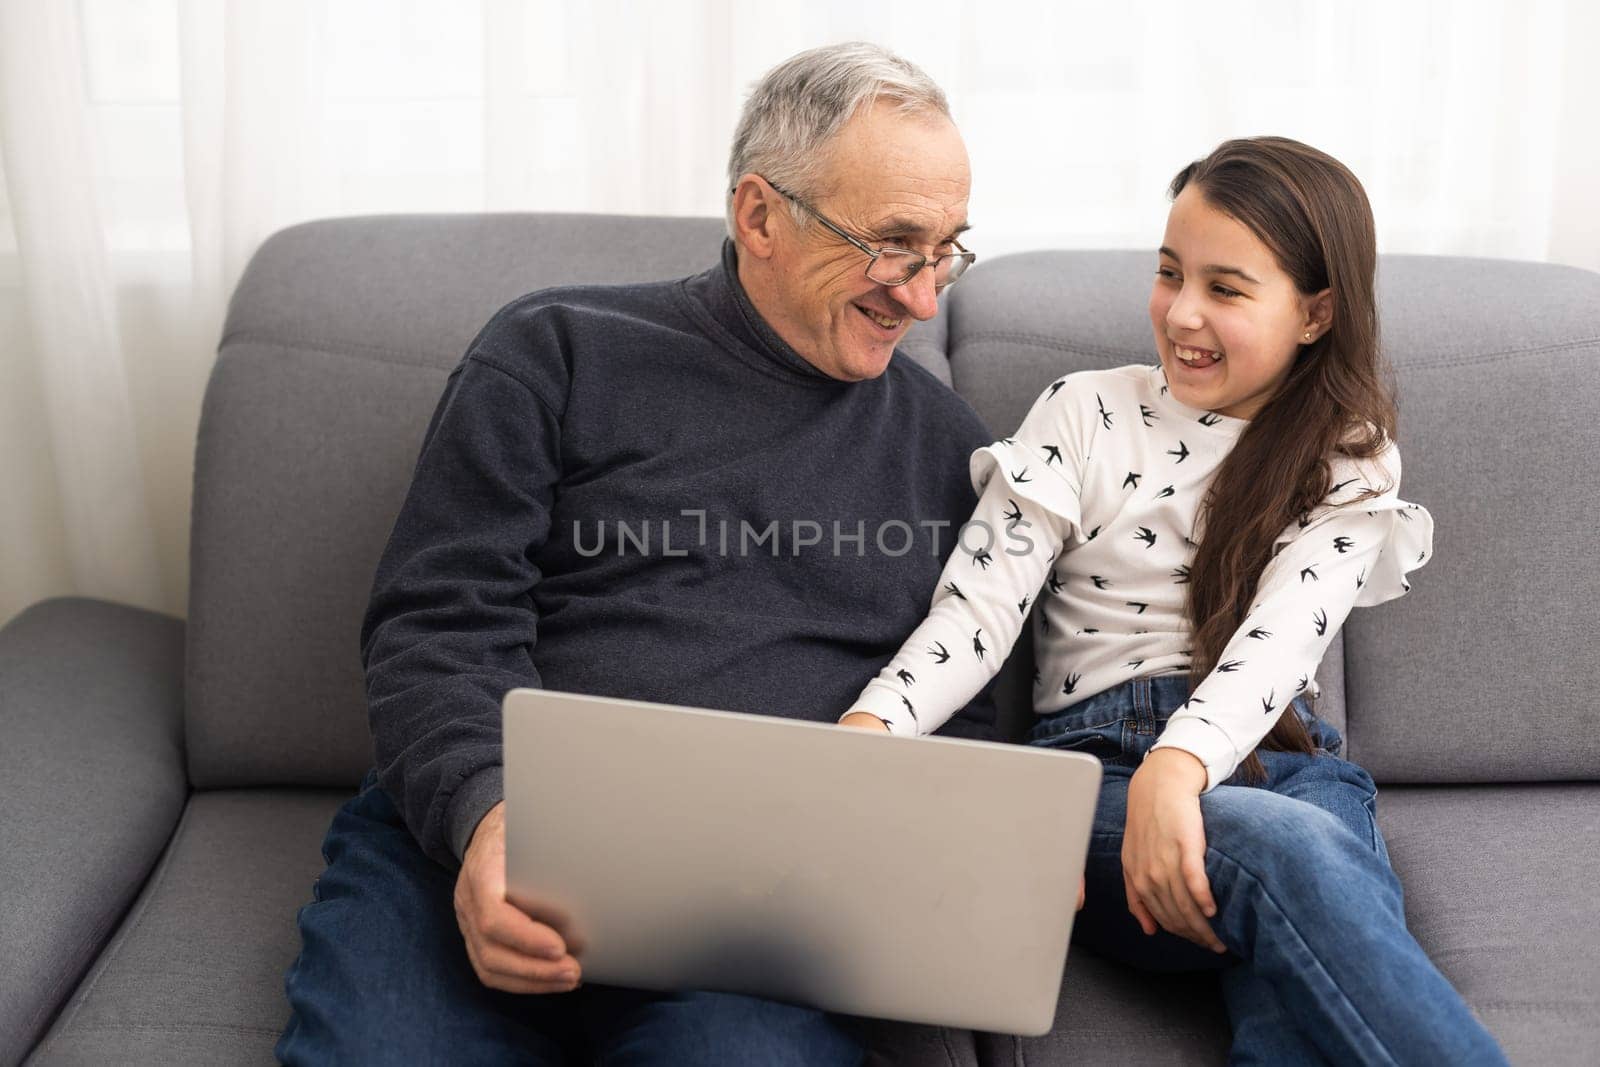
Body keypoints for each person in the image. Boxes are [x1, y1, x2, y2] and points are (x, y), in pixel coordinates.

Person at [277, 42, 996, 1065]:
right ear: (758, 215)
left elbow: (959, 710)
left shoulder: (949, 451)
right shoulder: (555, 350)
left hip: (755, 892)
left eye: (945, 250)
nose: (923, 298)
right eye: (892, 245)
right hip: (488, 825)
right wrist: (486, 816)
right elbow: (439, 622)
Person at [840, 137, 1509, 1065]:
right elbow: (976, 613)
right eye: (1169, 273)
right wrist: (870, 732)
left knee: (1292, 1008)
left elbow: (1277, 644)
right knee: (1296, 855)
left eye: (1226, 289)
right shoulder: (1084, 412)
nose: (1181, 312)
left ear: (1316, 313)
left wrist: (1180, 767)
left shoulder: (1349, 457)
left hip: (1284, 762)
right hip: (1097, 774)